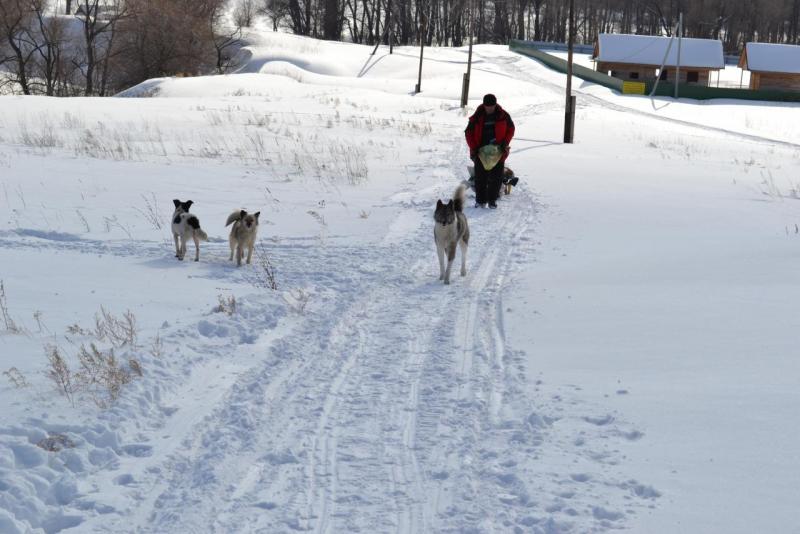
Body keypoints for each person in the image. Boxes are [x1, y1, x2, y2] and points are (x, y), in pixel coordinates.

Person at [465, 93, 515, 209]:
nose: (489, 109)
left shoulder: (503, 115)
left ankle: (492, 200)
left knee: (497, 177)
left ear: (495, 104)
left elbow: (511, 129)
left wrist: (505, 143)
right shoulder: (477, 116)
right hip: (480, 152)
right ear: (484, 105)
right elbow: (468, 133)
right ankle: (480, 201)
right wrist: (474, 147)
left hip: (498, 151)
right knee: (480, 177)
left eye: (491, 106)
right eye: (487, 107)